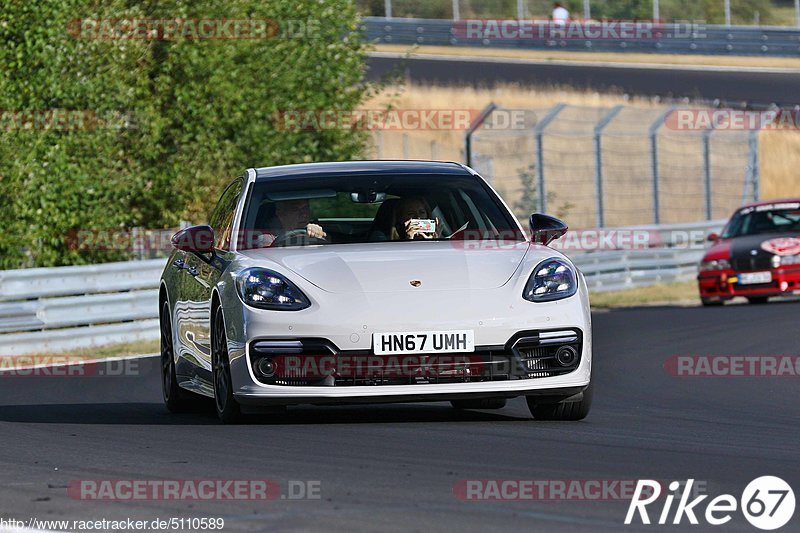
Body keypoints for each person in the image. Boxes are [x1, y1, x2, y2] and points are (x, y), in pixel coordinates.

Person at [257, 199, 326, 247]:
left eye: (305, 208)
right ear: (280, 214)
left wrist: (318, 234)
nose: (303, 214)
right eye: (295, 209)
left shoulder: (313, 229)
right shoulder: (267, 238)